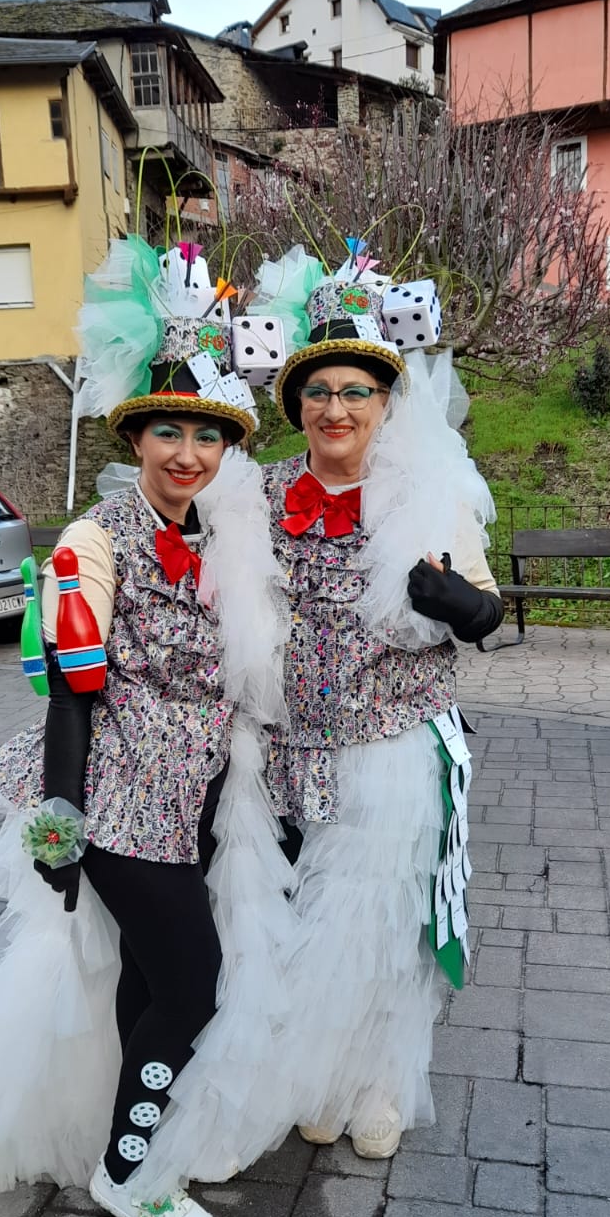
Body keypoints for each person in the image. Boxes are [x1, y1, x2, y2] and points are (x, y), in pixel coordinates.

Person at [0, 236, 293, 1217]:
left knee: (147, 978)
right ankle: (130, 1174)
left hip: (196, 798)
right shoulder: (96, 537)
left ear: (225, 448)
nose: (186, 452)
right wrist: (60, 820)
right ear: (138, 439)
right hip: (123, 798)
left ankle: (130, 1133)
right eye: (167, 431)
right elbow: (72, 695)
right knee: (194, 979)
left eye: (206, 436)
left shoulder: (213, 536)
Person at [252, 247, 503, 1160]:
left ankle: (380, 1082)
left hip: (395, 744)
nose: (337, 409)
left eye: (356, 390)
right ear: (296, 407)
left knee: (387, 920)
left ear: (387, 402)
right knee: (306, 921)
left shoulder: (425, 490)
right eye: (318, 392)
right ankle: (320, 1074)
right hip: (293, 751)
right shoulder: (265, 493)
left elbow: (484, 607)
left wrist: (464, 606)